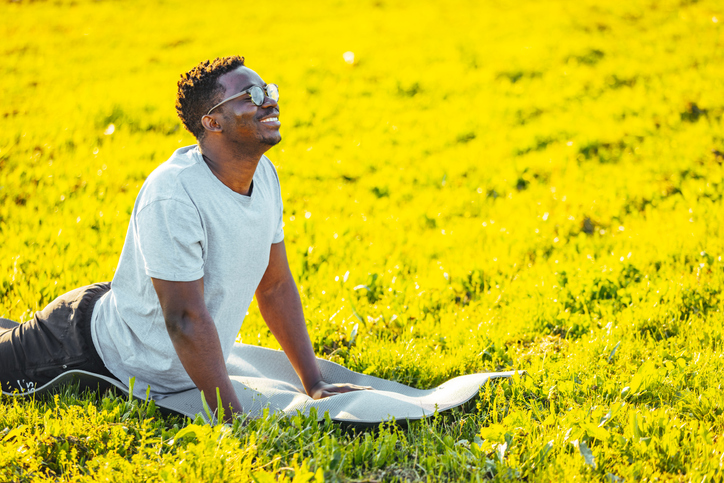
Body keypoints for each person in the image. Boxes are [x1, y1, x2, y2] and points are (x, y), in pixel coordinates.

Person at [0, 55, 368, 419]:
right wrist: (231, 418)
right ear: (212, 122)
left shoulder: (265, 175)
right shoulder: (174, 193)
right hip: (82, 346)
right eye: (250, 96)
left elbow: (274, 286)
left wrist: (314, 382)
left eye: (267, 90)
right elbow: (184, 318)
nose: (269, 100)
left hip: (133, 318)